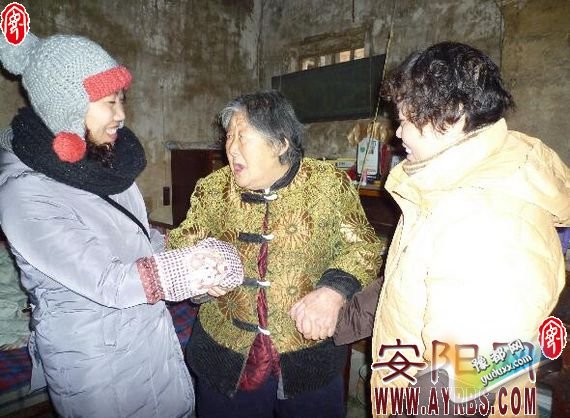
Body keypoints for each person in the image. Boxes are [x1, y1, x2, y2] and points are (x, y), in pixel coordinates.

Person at [0, 33, 243, 417]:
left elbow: (142, 241)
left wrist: (195, 266)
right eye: (109, 102)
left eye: (121, 99)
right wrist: (189, 270)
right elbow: (107, 281)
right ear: (67, 108)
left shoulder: (106, 167)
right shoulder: (23, 194)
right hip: (98, 368)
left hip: (150, 339)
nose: (121, 115)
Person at [370, 42, 569, 417]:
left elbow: (465, 383)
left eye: (407, 120)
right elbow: (415, 285)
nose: (398, 134)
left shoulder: (485, 216)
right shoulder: (452, 187)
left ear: (454, 116)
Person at [167, 90, 383, 417]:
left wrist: (333, 291)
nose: (231, 148)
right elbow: (182, 243)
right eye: (229, 137)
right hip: (227, 356)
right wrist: (197, 272)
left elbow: (363, 245)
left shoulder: (328, 184)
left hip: (309, 356)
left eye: (243, 137)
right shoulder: (212, 190)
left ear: (281, 144)